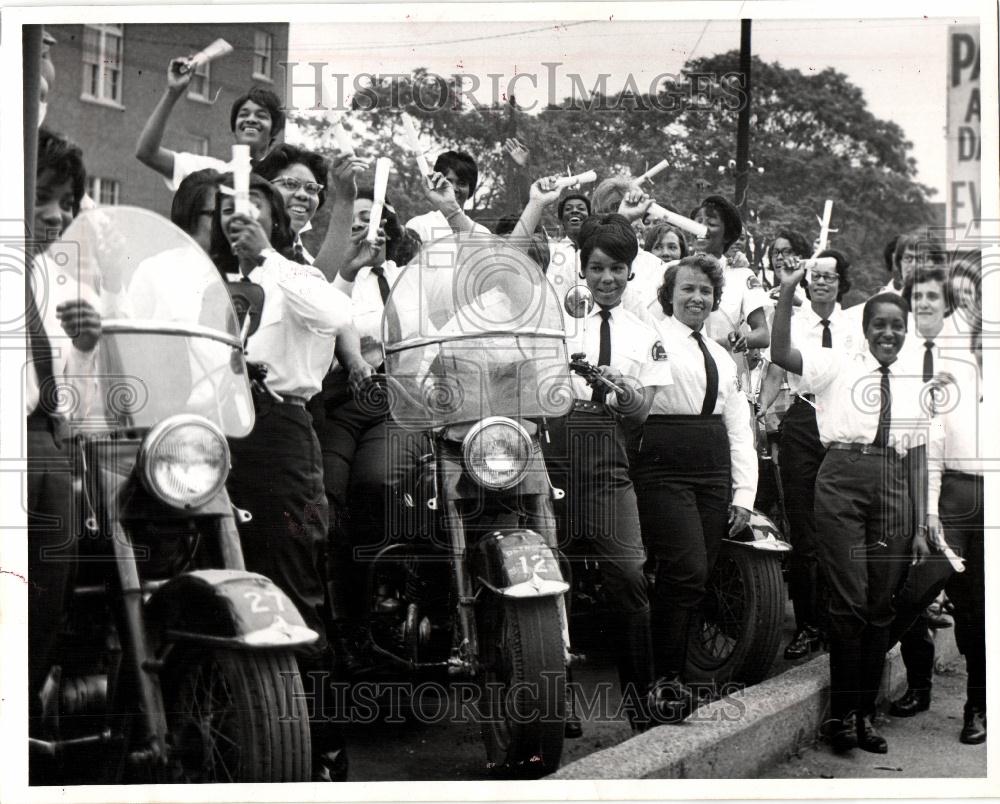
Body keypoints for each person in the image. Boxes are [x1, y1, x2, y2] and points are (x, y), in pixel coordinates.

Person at [208, 172, 353, 781]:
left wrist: (267, 254)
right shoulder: (205, 282)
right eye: (225, 208)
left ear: (273, 216)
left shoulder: (291, 274)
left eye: (251, 203)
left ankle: (318, 748)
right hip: (207, 439)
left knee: (292, 587)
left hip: (278, 438)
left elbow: (336, 310)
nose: (236, 216)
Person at [771, 267, 932, 756]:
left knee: (881, 603)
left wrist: (922, 521)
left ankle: (865, 713)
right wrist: (784, 295)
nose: (888, 333)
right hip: (842, 478)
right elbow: (780, 354)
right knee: (849, 601)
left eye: (896, 326)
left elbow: (921, 451)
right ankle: (841, 716)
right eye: (879, 324)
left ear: (906, 332)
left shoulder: (913, 378)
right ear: (866, 329)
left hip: (896, 487)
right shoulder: (838, 362)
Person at [540, 214, 673, 730]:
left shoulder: (646, 336)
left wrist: (628, 391)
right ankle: (560, 704)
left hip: (610, 460)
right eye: (596, 268)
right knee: (553, 579)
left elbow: (643, 414)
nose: (606, 279)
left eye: (616, 269)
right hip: (555, 450)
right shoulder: (558, 322)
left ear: (630, 271)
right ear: (582, 267)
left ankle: (640, 702)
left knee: (628, 576)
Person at [633, 255, 757, 715]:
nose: (697, 298)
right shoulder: (651, 338)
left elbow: (740, 428)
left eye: (705, 291)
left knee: (698, 575)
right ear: (669, 294)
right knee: (684, 569)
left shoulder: (724, 358)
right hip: (663, 463)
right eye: (687, 289)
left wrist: (744, 495)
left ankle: (676, 675)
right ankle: (664, 679)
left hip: (711, 468)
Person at [26, 128, 101, 734]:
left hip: (45, 443)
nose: (58, 215)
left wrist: (84, 343)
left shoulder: (59, 279)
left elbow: (68, 396)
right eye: (43, 196)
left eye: (68, 202)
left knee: (51, 582)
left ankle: (24, 698)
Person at [887, 267, 980, 718]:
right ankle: (918, 686)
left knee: (972, 601)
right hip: (900, 481)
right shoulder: (894, 352)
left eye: (932, 296)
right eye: (917, 295)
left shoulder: (962, 357)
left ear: (948, 306)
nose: (924, 303)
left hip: (954, 491)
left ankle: (977, 706)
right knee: (908, 592)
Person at [758, 248, 860, 660]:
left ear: (841, 283)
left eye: (829, 277)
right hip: (803, 421)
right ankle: (807, 625)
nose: (820, 282)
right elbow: (777, 369)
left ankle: (839, 621)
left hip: (841, 424)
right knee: (802, 529)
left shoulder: (855, 325)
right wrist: (759, 413)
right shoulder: (792, 320)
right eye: (815, 275)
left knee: (839, 529)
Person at [926, 331, 985, 743]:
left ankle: (979, 702)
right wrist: (931, 508)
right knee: (965, 603)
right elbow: (933, 448)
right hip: (956, 496)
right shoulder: (951, 378)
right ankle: (974, 702)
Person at [136, 57, 284, 191]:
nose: (251, 119)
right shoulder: (214, 174)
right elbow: (148, 154)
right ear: (234, 129)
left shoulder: (284, 180)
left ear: (274, 128)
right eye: (244, 114)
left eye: (261, 115)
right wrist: (172, 92)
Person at [690, 195, 770, 353]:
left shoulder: (741, 275)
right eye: (697, 222)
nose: (701, 228)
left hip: (724, 366)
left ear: (727, 235)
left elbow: (763, 334)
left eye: (711, 223)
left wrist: (734, 340)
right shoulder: (673, 271)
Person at [256, 143, 329, 261]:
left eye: (311, 188)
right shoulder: (240, 252)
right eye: (290, 184)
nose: (303, 195)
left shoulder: (309, 262)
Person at [405, 150, 490, 243]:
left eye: (462, 183)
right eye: (448, 181)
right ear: (436, 181)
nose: (453, 188)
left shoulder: (483, 234)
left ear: (471, 188)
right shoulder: (419, 226)